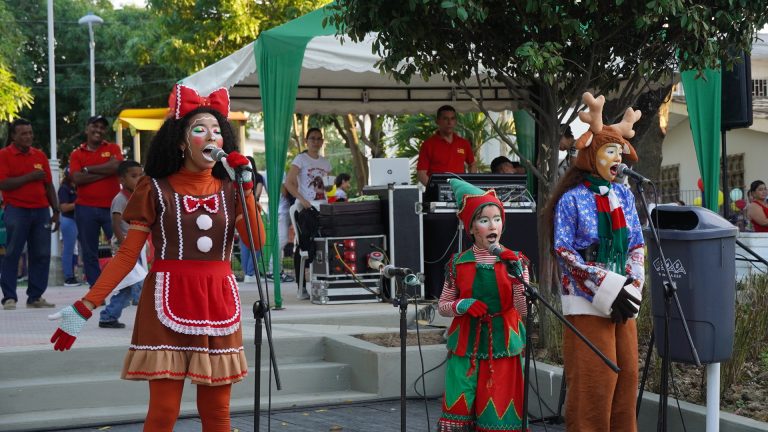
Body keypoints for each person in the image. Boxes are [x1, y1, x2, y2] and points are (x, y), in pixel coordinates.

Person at [49, 84, 265, 431]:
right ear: (181, 141)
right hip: (167, 302)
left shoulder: (233, 189)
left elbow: (256, 242)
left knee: (218, 414)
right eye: (199, 129)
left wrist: (247, 189)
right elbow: (126, 256)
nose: (210, 136)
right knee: (164, 412)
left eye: (216, 130)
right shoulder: (154, 188)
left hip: (218, 303)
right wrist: (86, 305)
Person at [545, 93, 644, 432]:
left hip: (623, 301)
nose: (618, 158)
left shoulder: (625, 194)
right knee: (594, 383)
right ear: (591, 155)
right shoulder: (571, 199)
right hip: (587, 301)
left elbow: (636, 244)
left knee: (627, 377)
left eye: (620, 151)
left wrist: (631, 287)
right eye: (610, 150)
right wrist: (607, 287)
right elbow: (564, 251)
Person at [436, 177, 528, 431]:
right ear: (472, 227)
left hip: (504, 343)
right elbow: (442, 306)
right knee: (458, 409)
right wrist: (462, 305)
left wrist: (518, 279)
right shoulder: (457, 263)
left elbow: (523, 311)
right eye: (484, 219)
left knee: (499, 414)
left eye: (497, 219)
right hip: (466, 343)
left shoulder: (516, 261)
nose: (492, 225)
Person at [0, 119, 60, 310]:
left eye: (30, 132)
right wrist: (30, 177)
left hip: (41, 210)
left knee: (41, 254)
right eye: (23, 133)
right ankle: (9, 297)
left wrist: (56, 210)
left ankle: (35, 297)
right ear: (13, 136)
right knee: (12, 253)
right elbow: (3, 184)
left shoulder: (40, 155)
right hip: (16, 210)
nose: (28, 137)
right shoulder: (4, 155)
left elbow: (49, 185)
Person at [69, 115, 124, 287]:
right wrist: (105, 170)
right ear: (87, 129)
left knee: (122, 246)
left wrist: (88, 170)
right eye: (95, 126)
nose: (98, 130)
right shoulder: (77, 153)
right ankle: (96, 289)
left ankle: (130, 287)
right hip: (85, 208)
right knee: (89, 251)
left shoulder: (113, 148)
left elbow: (116, 167)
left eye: (102, 127)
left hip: (112, 207)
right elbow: (77, 179)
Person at [98, 160, 147, 329]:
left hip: (137, 246)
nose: (138, 179)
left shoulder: (139, 196)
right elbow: (116, 224)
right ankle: (149, 319)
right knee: (140, 282)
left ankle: (108, 315)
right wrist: (124, 244)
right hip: (125, 247)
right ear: (122, 180)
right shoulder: (120, 199)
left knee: (129, 285)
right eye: (134, 176)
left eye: (141, 175)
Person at [284, 128, 331, 298]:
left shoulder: (326, 163)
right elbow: (289, 183)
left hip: (323, 208)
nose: (316, 142)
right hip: (305, 209)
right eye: (312, 138)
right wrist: (302, 200)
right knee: (304, 244)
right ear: (306, 141)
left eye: (319, 139)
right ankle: (301, 286)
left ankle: (327, 281)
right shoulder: (300, 159)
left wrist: (330, 188)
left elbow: (328, 187)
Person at [417, 105, 477, 186]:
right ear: (437, 121)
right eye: (445, 119)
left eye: (452, 118)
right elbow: (421, 173)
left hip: (459, 190)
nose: (449, 122)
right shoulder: (428, 144)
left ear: (455, 121)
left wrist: (469, 183)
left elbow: (472, 164)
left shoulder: (464, 143)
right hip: (437, 192)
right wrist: (433, 189)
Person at [239, 158, 264, 283]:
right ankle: (250, 272)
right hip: (253, 208)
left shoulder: (237, 177)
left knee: (245, 241)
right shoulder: (258, 177)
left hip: (241, 210)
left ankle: (247, 272)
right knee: (258, 240)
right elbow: (257, 194)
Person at [58, 166, 80, 287]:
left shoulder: (78, 187)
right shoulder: (64, 189)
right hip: (69, 220)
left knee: (82, 249)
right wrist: (80, 202)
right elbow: (64, 207)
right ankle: (68, 277)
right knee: (68, 249)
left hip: (79, 219)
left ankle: (83, 274)